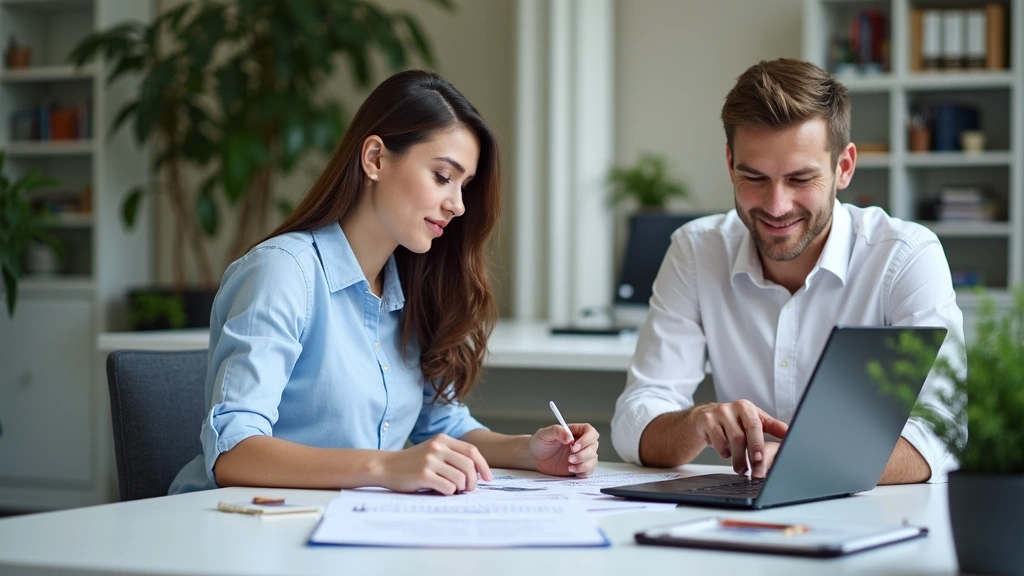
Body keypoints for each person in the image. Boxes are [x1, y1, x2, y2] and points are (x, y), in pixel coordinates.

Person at [170, 70, 599, 495]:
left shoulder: (412, 286)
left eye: (465, 186)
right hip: (244, 531)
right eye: (442, 177)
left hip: (349, 532)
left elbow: (443, 424)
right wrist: (387, 466)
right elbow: (233, 451)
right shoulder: (283, 272)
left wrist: (531, 451)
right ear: (375, 158)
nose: (458, 205)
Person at [610, 58, 962, 485]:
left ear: (844, 168)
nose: (776, 206)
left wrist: (810, 461)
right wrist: (696, 422)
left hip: (877, 516)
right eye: (754, 177)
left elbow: (943, 433)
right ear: (729, 163)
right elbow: (635, 420)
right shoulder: (695, 251)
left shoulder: (904, 256)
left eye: (800, 179)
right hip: (746, 523)